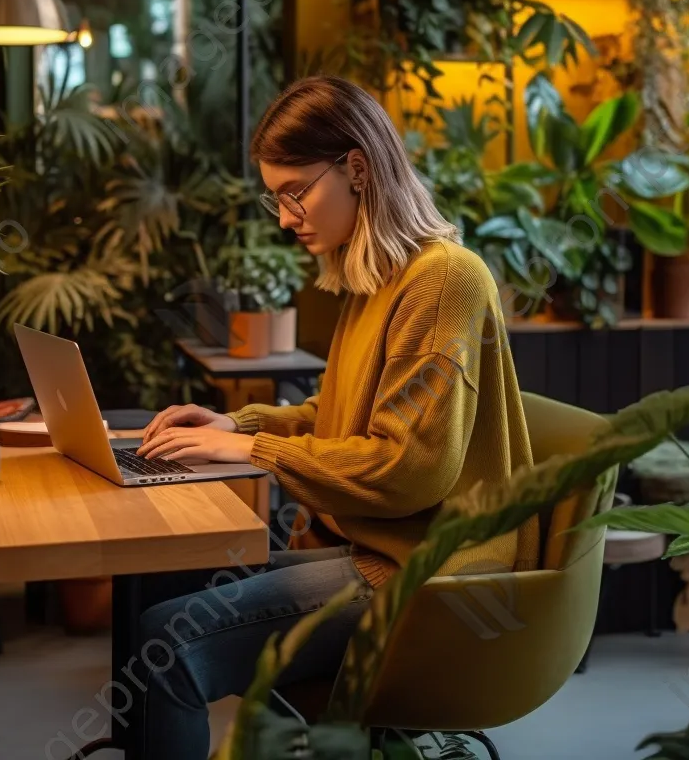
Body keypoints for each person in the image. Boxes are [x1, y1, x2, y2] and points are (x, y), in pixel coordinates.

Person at [125, 76, 538, 759]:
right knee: (159, 582)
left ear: (357, 169)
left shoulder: (446, 280)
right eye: (276, 197)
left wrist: (254, 455)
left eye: (295, 192)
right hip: (375, 551)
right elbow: (339, 416)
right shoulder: (376, 280)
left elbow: (407, 470)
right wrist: (239, 427)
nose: (285, 217)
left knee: (168, 641)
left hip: (429, 576)